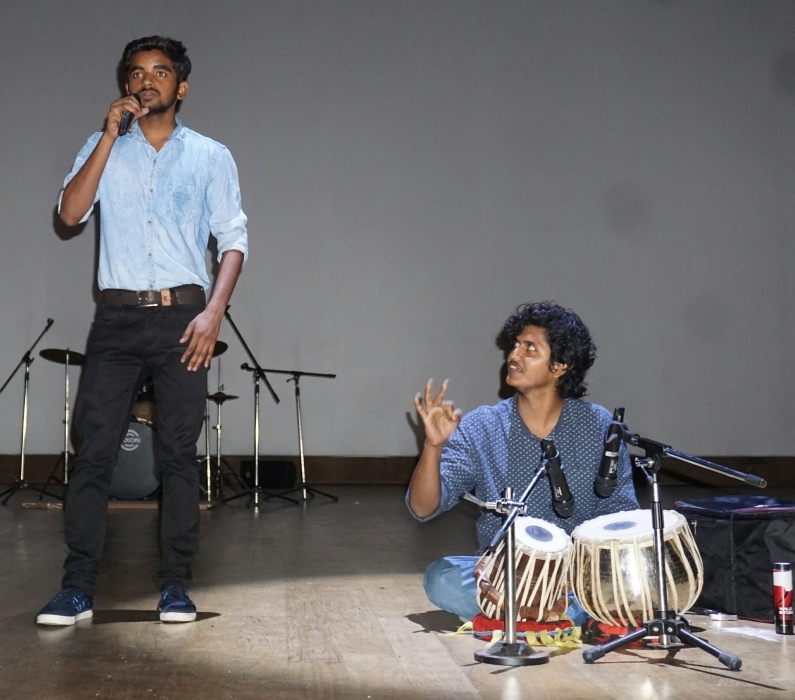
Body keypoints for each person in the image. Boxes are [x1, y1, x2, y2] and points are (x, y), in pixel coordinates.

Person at [36, 36, 248, 625]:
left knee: (179, 456)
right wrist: (108, 136)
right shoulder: (102, 146)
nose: (146, 80)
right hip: (118, 318)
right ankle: (77, 588)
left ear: (181, 86)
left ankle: (175, 586)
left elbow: (233, 240)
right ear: (125, 84)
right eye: (136, 72)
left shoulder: (210, 155)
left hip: (185, 318)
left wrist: (213, 313)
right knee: (93, 454)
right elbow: (70, 214)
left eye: (159, 71)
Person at [407, 302, 638, 622]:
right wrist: (433, 446)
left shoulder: (598, 427)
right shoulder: (482, 426)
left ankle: (516, 613)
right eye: (515, 345)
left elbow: (623, 517)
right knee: (441, 578)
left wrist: (584, 574)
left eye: (530, 348)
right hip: (503, 574)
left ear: (559, 366)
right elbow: (422, 508)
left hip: (574, 578)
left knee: (629, 580)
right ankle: (555, 615)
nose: (513, 355)